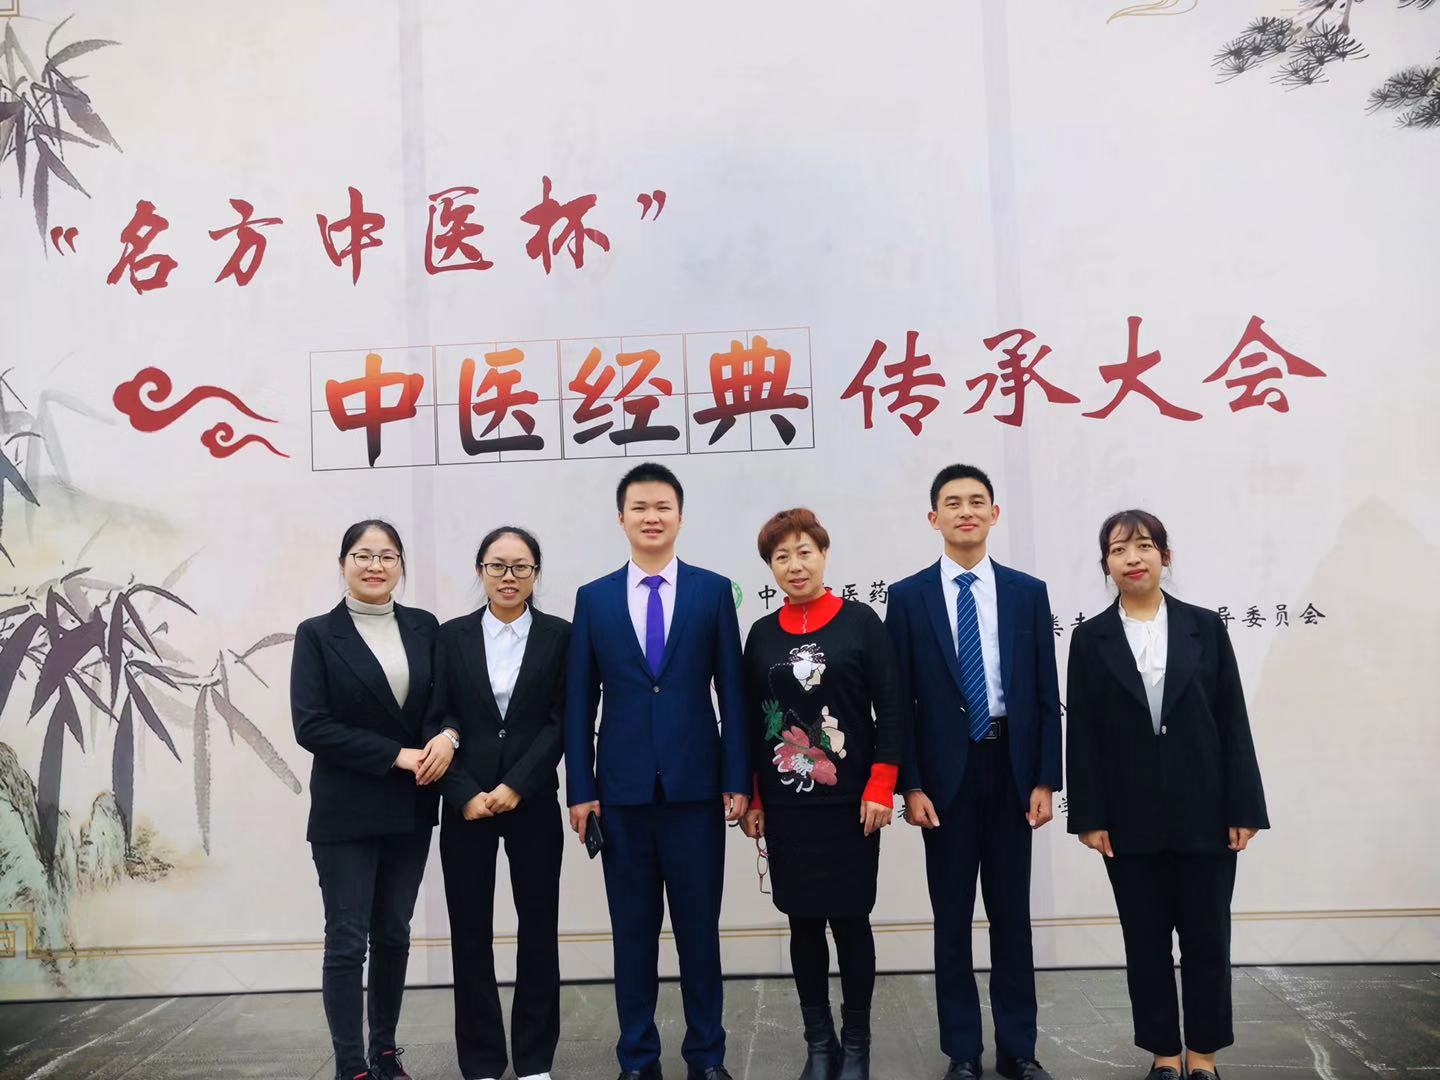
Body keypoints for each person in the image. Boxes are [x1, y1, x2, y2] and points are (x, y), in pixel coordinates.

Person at [1066, 510, 1269, 1080]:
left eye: (1143, 546)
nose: (1132, 558)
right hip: (1128, 820)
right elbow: (1082, 732)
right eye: (1118, 550)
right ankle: (1163, 1055)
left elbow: (1232, 719)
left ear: (1165, 556)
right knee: (1145, 942)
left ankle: (1202, 1057)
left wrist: (1244, 807)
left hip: (1206, 812)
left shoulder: (1205, 627)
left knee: (1208, 940)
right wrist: (1089, 815)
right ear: (1106, 565)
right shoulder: (1090, 638)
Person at [564, 462, 750, 1080]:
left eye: (663, 506)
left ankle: (707, 1058)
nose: (652, 517)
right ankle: (638, 1059)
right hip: (621, 797)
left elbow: (733, 694)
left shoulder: (711, 591)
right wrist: (581, 789)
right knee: (633, 936)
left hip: (696, 793)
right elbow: (579, 704)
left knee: (699, 935)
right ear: (621, 518)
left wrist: (737, 779)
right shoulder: (593, 598)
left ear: (680, 516)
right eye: (640, 507)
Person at [885, 465, 1061, 1080]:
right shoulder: (908, 597)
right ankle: (962, 1050)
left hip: (1010, 769)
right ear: (933, 517)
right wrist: (910, 783)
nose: (966, 511)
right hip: (943, 780)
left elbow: (1045, 692)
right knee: (952, 919)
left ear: (994, 514)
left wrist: (1045, 778)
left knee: (1012, 918)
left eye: (977, 501)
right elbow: (898, 701)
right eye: (953, 503)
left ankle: (1019, 1048)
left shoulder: (1026, 592)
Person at [739, 508, 902, 1080]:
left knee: (851, 921)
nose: (795, 565)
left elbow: (892, 709)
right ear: (771, 567)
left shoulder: (861, 623)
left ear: (824, 555)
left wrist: (882, 785)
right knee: (802, 922)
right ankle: (820, 1045)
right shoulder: (761, 635)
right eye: (781, 557)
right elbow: (754, 722)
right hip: (786, 806)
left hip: (852, 803)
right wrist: (755, 798)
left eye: (804, 552)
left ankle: (856, 1045)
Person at [291, 519, 450, 1080]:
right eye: (363, 555)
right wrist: (396, 755)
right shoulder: (317, 634)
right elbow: (311, 725)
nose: (375, 565)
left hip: (411, 806)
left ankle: (383, 1051)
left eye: (387, 556)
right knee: (346, 940)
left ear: (401, 565)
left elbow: (444, 702)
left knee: (393, 934)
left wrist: (447, 736)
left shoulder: (425, 627)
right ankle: (351, 1064)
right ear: (343, 564)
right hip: (347, 809)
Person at [428, 526, 570, 1080]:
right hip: (466, 805)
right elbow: (438, 715)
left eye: (520, 567)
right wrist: (462, 792)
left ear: (536, 573)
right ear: (480, 570)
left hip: (531, 801)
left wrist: (518, 784)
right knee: (470, 934)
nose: (509, 577)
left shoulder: (560, 636)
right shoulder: (451, 637)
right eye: (497, 566)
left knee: (538, 929)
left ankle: (534, 1061)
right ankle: (482, 1061)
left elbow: (562, 720)